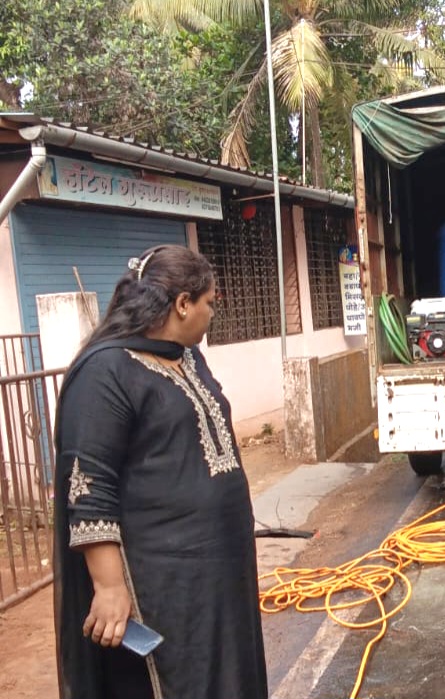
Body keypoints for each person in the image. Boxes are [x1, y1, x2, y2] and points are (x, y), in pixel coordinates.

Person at [53, 246, 268, 699]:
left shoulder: (188, 357)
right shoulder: (105, 372)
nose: (212, 313)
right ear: (183, 303)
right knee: (177, 680)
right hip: (162, 584)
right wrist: (109, 587)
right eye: (209, 302)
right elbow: (89, 488)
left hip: (219, 576)